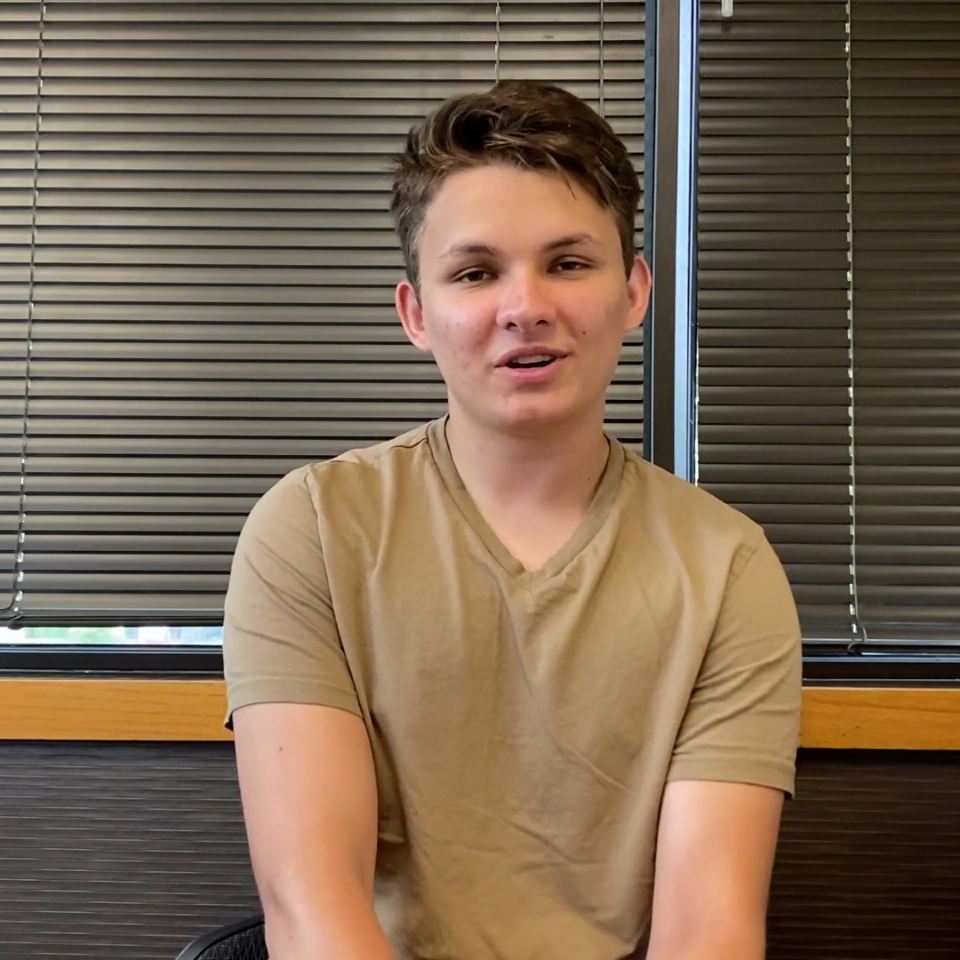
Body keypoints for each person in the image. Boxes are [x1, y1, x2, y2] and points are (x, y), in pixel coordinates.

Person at [223, 80, 802, 960]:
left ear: (635, 291)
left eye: (569, 263)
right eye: (475, 272)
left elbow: (708, 930)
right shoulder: (310, 531)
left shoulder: (728, 566)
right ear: (417, 313)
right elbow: (313, 916)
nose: (525, 306)